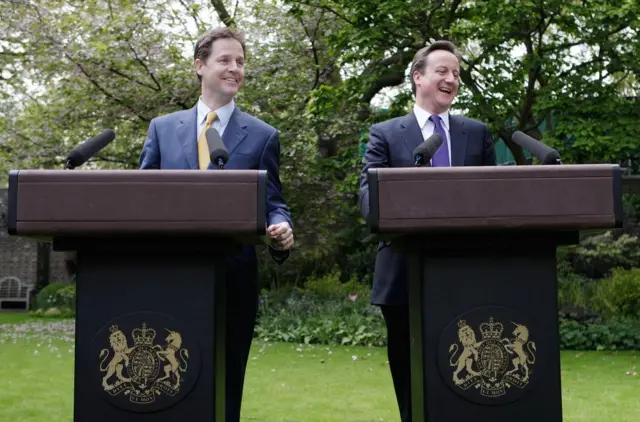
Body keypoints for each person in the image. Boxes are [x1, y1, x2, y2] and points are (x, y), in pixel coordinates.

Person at [139, 27, 294, 421]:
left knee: (226, 382)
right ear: (199, 66)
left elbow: (273, 202)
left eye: (240, 62)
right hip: (171, 276)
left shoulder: (262, 136)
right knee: (168, 378)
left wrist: (281, 229)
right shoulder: (162, 128)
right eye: (225, 60)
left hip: (234, 278)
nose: (235, 68)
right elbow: (141, 199)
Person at [358, 40, 496, 421]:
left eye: (456, 73)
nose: (451, 78)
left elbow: (492, 196)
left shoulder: (476, 132)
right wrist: (391, 216)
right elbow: (368, 193)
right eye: (442, 71)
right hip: (402, 272)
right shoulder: (386, 133)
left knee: (463, 368)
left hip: (463, 272)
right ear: (418, 77)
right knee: (408, 370)